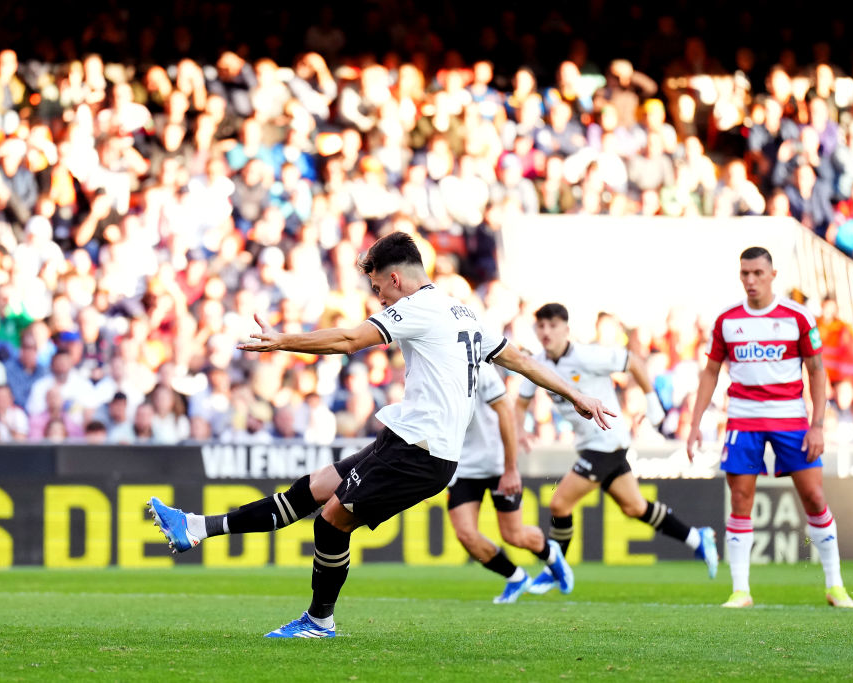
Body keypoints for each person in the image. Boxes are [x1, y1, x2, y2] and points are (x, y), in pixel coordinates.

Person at [148, 231, 614, 638]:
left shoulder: (419, 307)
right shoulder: (462, 312)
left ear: (395, 278)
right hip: (403, 440)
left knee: (330, 522)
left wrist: (283, 341)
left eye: (378, 288)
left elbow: (350, 340)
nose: (380, 300)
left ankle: (319, 621)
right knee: (311, 489)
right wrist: (576, 395)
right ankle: (196, 528)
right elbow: (522, 361)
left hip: (421, 453)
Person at [686, 247, 853, 609]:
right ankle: (740, 591)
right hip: (742, 420)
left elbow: (817, 371)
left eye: (757, 273)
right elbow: (711, 372)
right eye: (744, 273)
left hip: (790, 419)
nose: (750, 280)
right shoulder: (727, 320)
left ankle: (835, 585)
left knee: (814, 497)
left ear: (772, 275)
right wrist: (695, 422)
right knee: (740, 500)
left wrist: (818, 425)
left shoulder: (797, 316)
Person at [516, 302, 719, 595]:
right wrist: (519, 429)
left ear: (566, 329)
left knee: (559, 504)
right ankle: (697, 538)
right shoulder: (538, 363)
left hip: (607, 442)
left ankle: (554, 571)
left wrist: (651, 401)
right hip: (591, 445)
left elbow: (633, 361)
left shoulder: (587, 355)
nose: (546, 331)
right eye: (541, 326)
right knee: (635, 507)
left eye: (553, 325)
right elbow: (521, 402)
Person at [448, 360, 573, 603]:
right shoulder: (433, 369)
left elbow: (505, 411)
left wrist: (511, 469)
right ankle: (516, 577)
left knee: (514, 536)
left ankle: (551, 553)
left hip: (497, 464)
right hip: (462, 467)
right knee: (465, 535)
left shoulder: (480, 369)